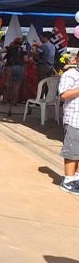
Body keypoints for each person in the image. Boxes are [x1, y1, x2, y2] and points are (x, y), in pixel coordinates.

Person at [57, 54, 79, 195]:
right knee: (72, 151)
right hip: (74, 119)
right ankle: (68, 180)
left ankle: (76, 177)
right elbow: (63, 95)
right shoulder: (70, 75)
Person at [0, 37, 28, 105]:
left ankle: (5, 100)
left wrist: (2, 60)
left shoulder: (9, 48)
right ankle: (14, 101)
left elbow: (0, 51)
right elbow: (25, 60)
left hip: (10, 66)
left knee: (8, 84)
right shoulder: (23, 49)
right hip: (19, 67)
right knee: (17, 86)